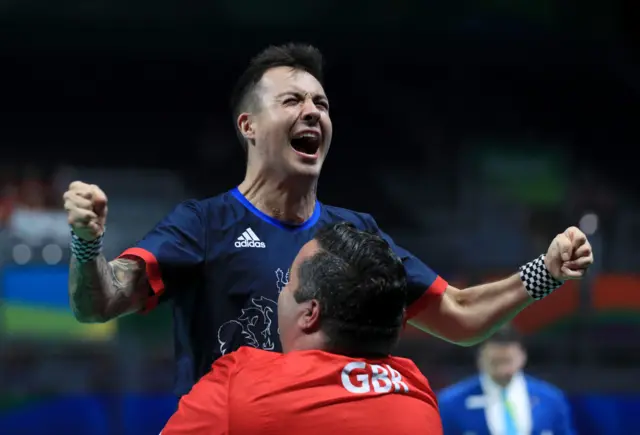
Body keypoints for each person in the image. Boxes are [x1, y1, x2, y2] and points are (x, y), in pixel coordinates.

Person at [62, 43, 594, 397]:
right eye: (292, 100)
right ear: (248, 125)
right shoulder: (202, 224)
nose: (312, 111)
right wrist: (88, 245)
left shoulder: (355, 235)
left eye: (322, 102)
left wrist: (543, 272)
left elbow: (457, 314)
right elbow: (101, 302)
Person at [161, 222, 443, 434]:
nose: (280, 293)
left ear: (310, 313)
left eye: (287, 284)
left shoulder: (240, 382)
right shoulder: (418, 393)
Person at [438, 326, 576, 435]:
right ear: (480, 358)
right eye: (496, 362)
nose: (503, 369)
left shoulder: (551, 399)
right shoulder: (451, 402)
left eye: (507, 361)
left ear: (522, 357)